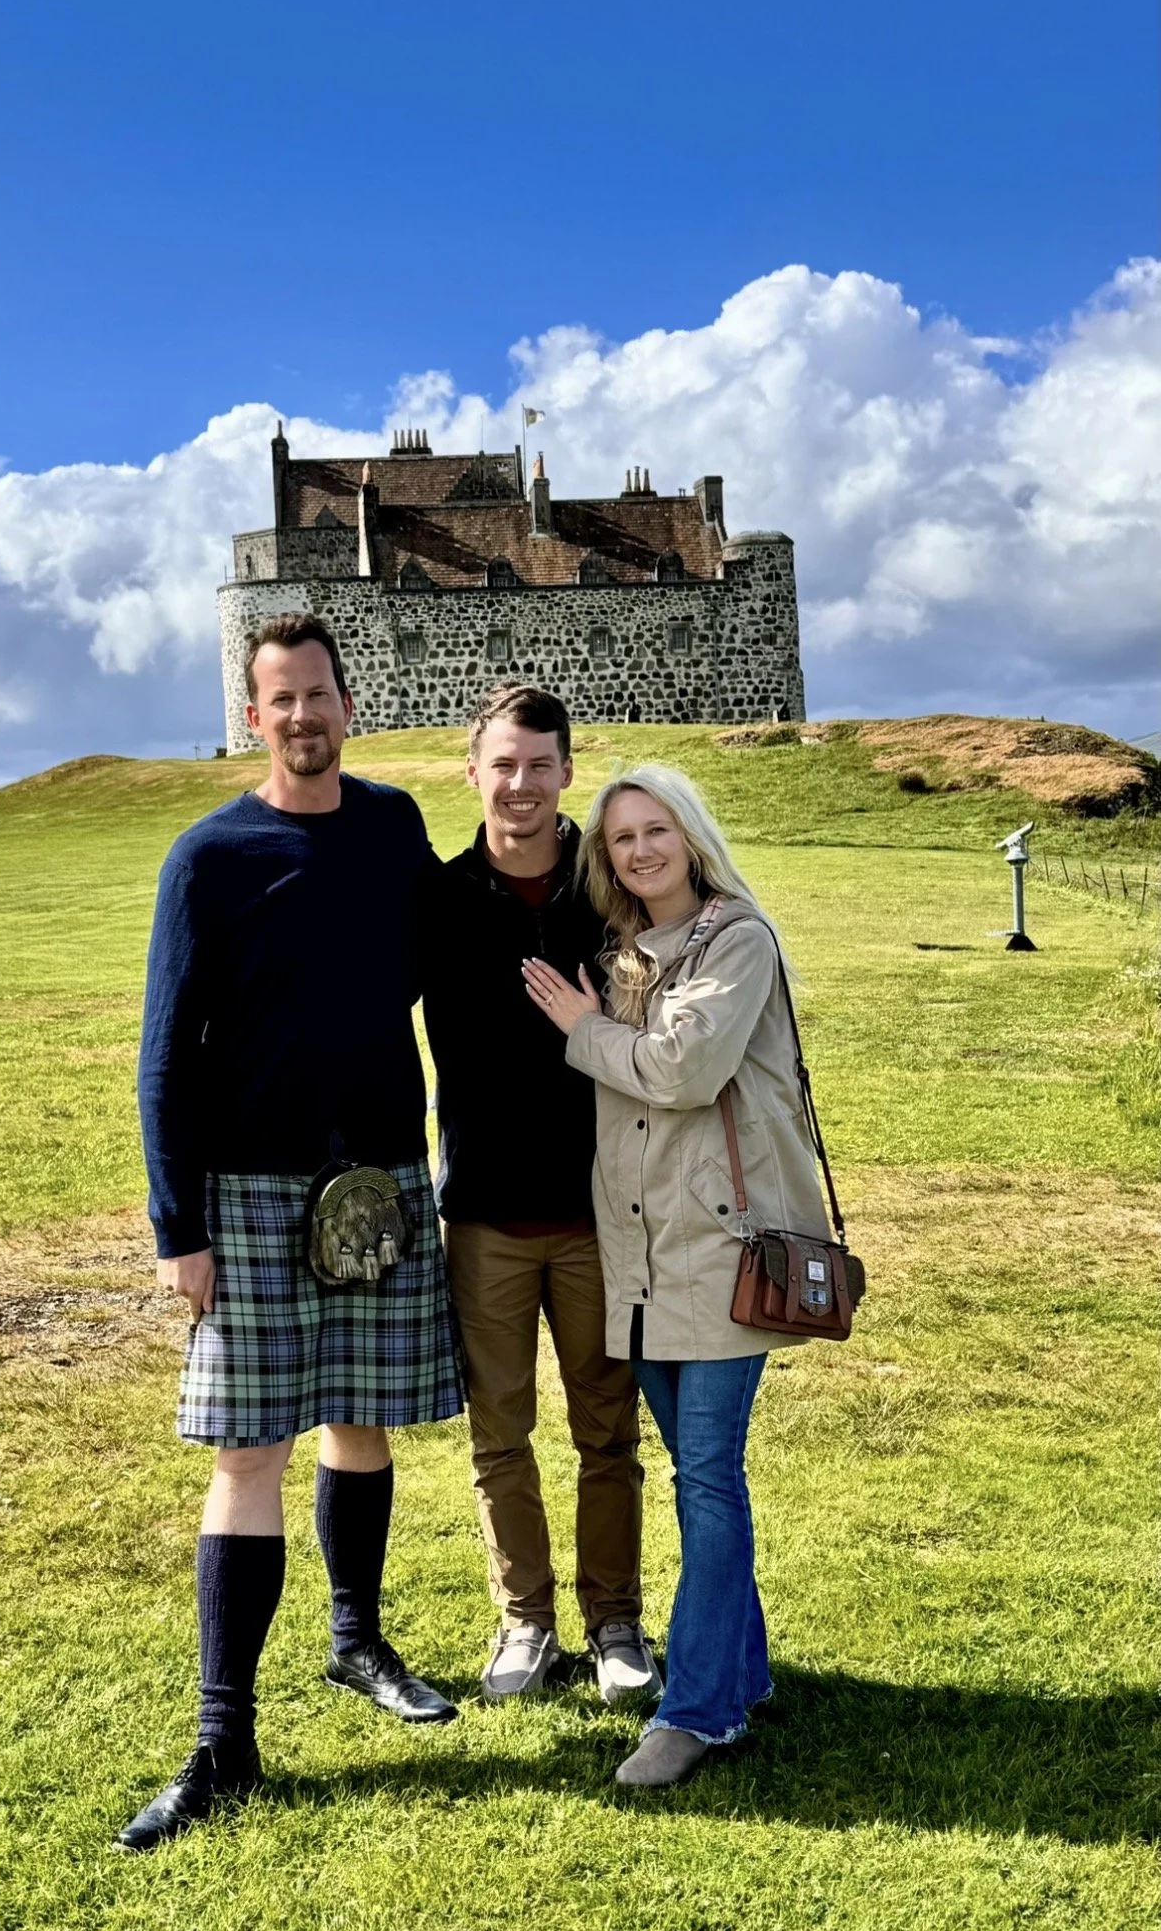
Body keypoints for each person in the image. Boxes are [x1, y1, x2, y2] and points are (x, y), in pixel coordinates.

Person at [118, 614, 465, 1852]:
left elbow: (453, 954)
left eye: (320, 694)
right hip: (250, 1196)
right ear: (253, 715)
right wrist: (179, 1225)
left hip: (373, 1187)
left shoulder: (391, 830)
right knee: (248, 1452)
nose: (305, 716)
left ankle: (358, 1643)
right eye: (282, 699)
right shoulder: (207, 856)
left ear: (347, 705)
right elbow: (162, 1057)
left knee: (362, 1423)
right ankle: (225, 1740)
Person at [521, 764, 829, 1788]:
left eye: (656, 830)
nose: (641, 850)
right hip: (643, 1261)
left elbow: (684, 1074)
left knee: (707, 1477)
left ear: (690, 836)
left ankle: (695, 1714)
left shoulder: (736, 941)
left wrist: (581, 1029)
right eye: (621, 840)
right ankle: (740, 1674)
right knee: (705, 1482)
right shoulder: (621, 956)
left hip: (728, 1253)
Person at [420, 687, 658, 1706]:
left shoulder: (608, 896)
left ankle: (615, 1623)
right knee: (499, 1434)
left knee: (607, 1433)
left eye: (539, 765)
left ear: (568, 771)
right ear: (473, 773)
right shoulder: (437, 899)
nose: (519, 785)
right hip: (484, 1216)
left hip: (601, 1215)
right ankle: (525, 1624)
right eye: (501, 765)